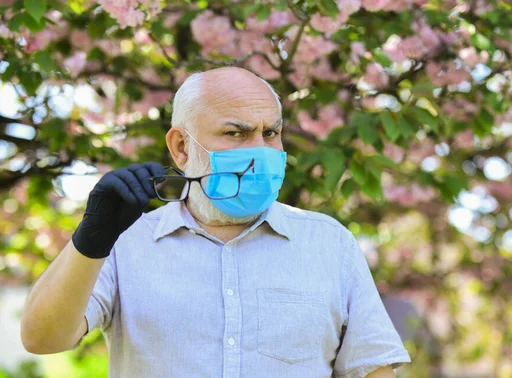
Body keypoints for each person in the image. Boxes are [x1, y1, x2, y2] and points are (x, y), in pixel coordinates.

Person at [20, 67, 411, 378]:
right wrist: (91, 239)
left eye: (270, 132)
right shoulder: (125, 242)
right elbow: (42, 338)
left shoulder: (329, 244)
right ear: (181, 147)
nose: (259, 149)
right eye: (235, 133)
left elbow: (371, 370)